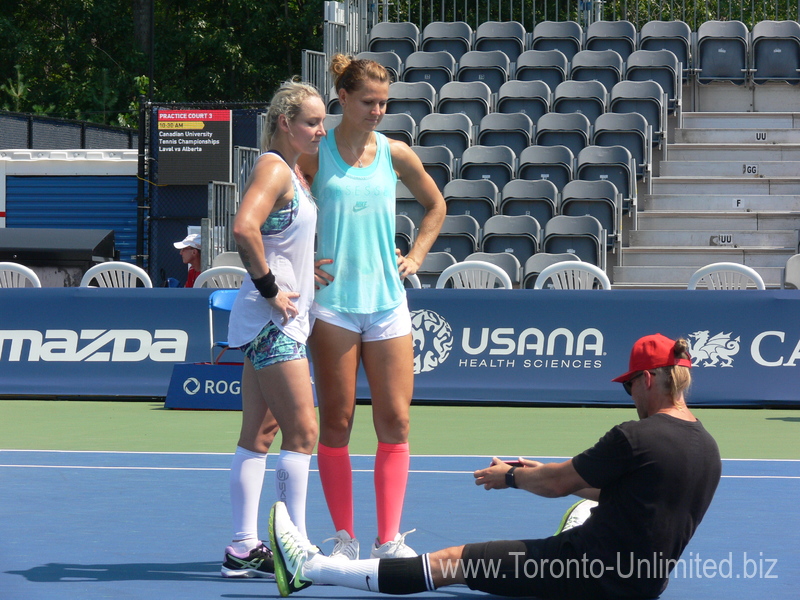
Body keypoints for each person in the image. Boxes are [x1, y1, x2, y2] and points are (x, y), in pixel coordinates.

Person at [269, 333, 722, 599]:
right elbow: (632, 496)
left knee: (452, 563)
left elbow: (557, 484)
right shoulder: (708, 448)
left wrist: (510, 477)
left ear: (648, 380)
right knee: (586, 512)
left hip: (582, 571)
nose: (630, 397)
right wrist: (544, 472)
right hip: (643, 586)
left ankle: (310, 568)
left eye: (630, 387)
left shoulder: (635, 436)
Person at [296, 54, 446, 560]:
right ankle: (344, 537)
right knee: (336, 423)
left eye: (384, 102)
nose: (378, 111)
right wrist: (297, 265)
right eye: (369, 102)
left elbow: (436, 205)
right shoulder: (313, 157)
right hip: (333, 307)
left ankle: (389, 540)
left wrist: (417, 255)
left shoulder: (396, 154)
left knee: (396, 422)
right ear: (342, 98)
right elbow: (275, 208)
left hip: (388, 306)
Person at [219, 79, 326, 578]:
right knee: (303, 431)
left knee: (259, 434)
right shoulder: (273, 166)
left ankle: (243, 547)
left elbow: (276, 239)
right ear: (286, 122)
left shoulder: (293, 173)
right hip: (272, 324)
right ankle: (296, 546)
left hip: (276, 320)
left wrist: (307, 273)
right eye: (312, 121)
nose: (320, 130)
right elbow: (243, 228)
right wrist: (270, 290)